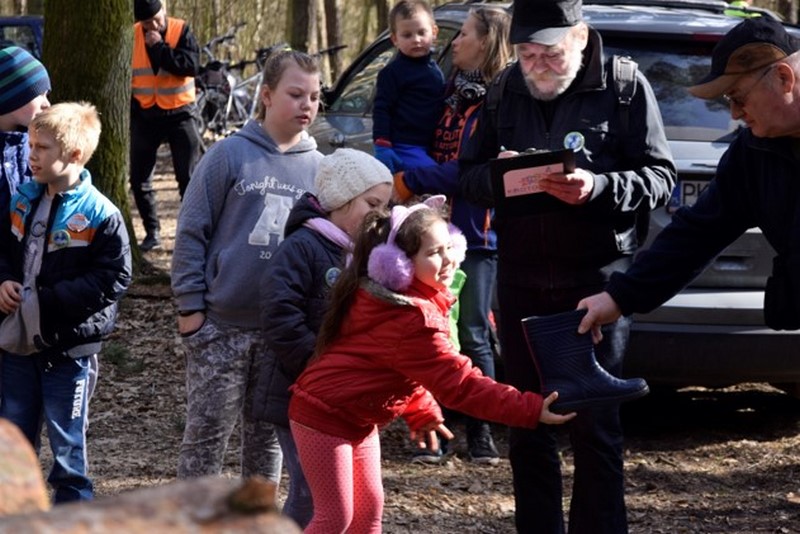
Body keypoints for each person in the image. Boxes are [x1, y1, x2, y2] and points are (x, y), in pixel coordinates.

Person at [458, 0, 677, 531]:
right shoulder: (503, 91)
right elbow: (466, 177)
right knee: (528, 426)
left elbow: (661, 178)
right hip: (521, 279)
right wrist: (499, 177)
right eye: (527, 55)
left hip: (595, 282)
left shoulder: (624, 87)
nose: (537, 67)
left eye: (550, 55)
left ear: (580, 38)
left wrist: (598, 186)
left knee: (595, 430)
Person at [288, 195, 575, 533]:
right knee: (335, 517)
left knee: (367, 515)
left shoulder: (406, 301)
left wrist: (420, 409)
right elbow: (461, 385)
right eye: (433, 253)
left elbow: (398, 367)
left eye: (448, 247)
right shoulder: (410, 317)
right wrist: (528, 408)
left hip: (356, 417)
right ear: (399, 265)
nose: (448, 259)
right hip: (323, 416)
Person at [577, 19, 800, 345]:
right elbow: (699, 233)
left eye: (738, 97)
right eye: (727, 101)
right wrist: (619, 297)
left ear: (783, 78)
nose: (735, 114)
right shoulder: (753, 151)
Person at [171, 49, 323, 483]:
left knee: (266, 442)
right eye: (296, 94)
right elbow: (192, 231)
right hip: (220, 326)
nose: (307, 105)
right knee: (205, 438)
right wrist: (190, 312)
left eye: (314, 96)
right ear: (268, 95)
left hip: (282, 332)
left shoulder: (321, 168)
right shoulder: (229, 155)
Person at [392, 7, 512, 465]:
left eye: (462, 34)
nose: (453, 42)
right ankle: (431, 432)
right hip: (429, 228)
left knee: (474, 331)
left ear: (485, 42)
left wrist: (410, 178)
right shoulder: (449, 92)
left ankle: (482, 433)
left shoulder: (498, 100)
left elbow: (467, 169)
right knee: (424, 329)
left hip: (477, 236)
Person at [0, 101, 132, 503]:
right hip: (18, 348)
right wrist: (4, 278)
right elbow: (6, 249)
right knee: (13, 446)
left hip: (67, 351)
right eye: (31, 145)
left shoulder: (100, 214)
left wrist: (48, 300)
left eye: (41, 148)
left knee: (68, 452)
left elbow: (113, 277)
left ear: (74, 155)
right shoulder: (23, 199)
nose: (31, 155)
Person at [253, 148, 393, 528]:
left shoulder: (366, 253)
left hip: (349, 398)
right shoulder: (303, 247)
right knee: (313, 498)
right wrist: (319, 369)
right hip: (299, 393)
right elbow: (279, 316)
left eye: (386, 206)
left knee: (367, 500)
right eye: (372, 203)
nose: (380, 215)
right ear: (340, 200)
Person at [131, 0, 202, 251]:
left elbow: (191, 66)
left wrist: (160, 47)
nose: (153, 25)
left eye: (156, 18)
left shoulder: (181, 30)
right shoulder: (132, 36)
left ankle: (191, 233)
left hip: (180, 113)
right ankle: (153, 232)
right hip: (146, 115)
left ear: (164, 10)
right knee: (139, 180)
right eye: (147, 22)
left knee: (188, 178)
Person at [372, 0, 445, 173]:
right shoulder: (392, 73)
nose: (416, 40)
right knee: (433, 176)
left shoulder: (435, 71)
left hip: (430, 146)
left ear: (434, 32)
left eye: (422, 32)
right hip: (403, 147)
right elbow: (382, 109)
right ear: (395, 39)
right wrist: (382, 144)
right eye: (407, 35)